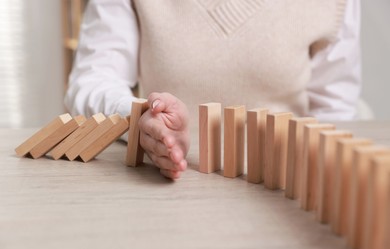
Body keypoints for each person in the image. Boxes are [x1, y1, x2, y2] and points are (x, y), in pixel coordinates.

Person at [65, 0, 361, 179]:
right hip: (163, 188)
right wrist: (143, 120)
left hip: (285, 190)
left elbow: (334, 109)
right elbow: (91, 80)